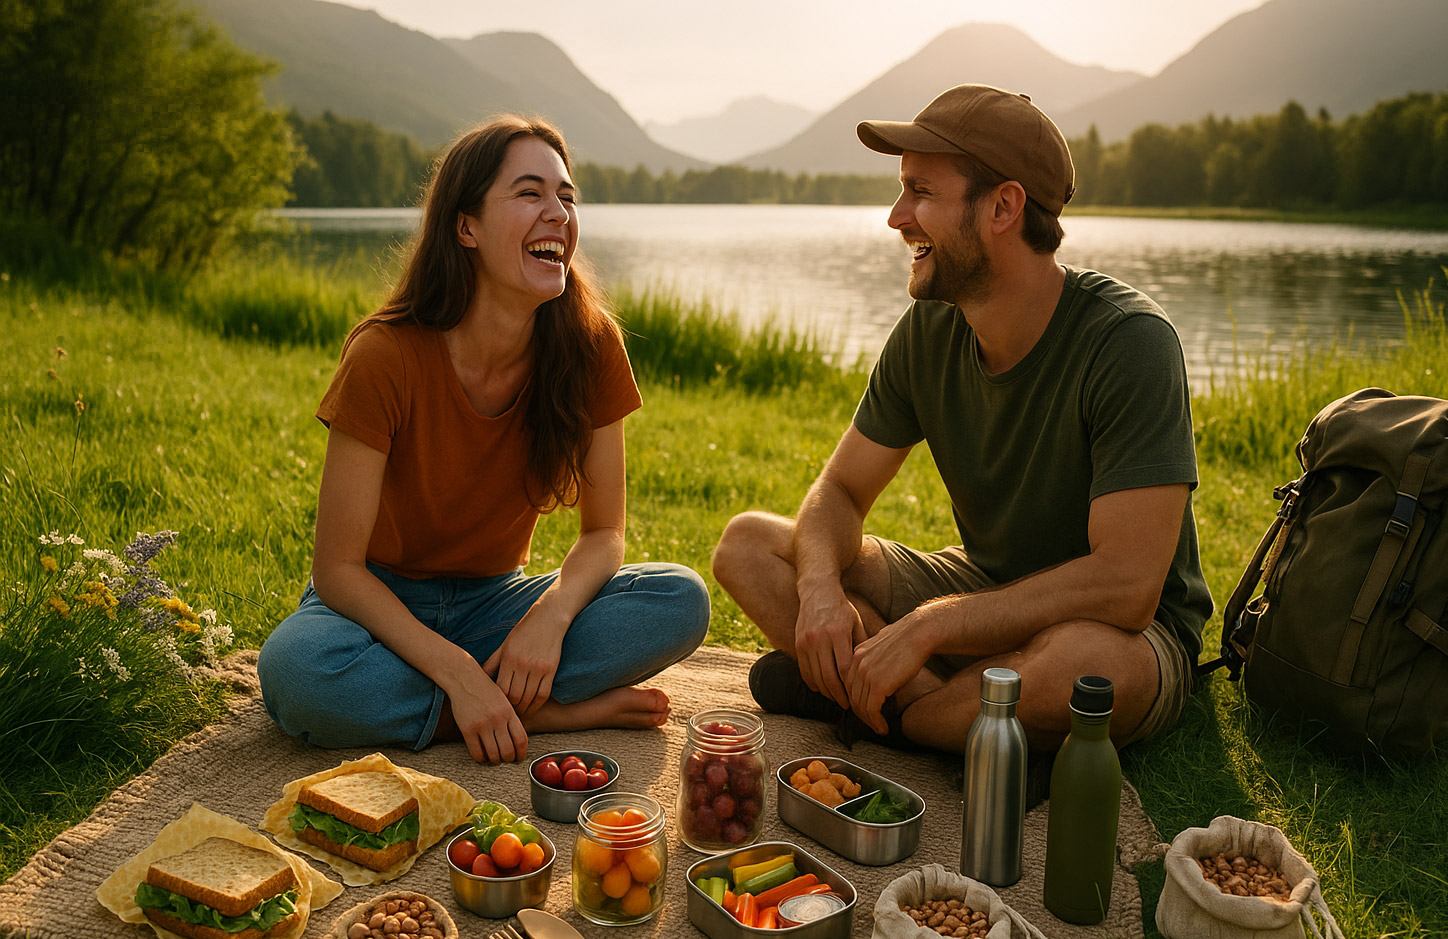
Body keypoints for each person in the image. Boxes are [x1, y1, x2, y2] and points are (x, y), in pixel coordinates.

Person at [712, 85, 1211, 754]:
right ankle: (945, 711)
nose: (895, 217)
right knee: (750, 547)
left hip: (1122, 632)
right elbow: (839, 491)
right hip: (986, 590)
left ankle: (893, 715)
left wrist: (928, 628)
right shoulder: (930, 328)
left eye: (920, 192)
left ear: (1003, 206)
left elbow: (1127, 585)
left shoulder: (1128, 341)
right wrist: (821, 588)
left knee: (1076, 669)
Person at [260, 115, 710, 764]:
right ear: (465, 226)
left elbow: (603, 533)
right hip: (379, 607)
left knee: (679, 600)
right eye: (529, 193)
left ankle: (472, 700)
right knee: (298, 670)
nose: (557, 212)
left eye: (565, 196)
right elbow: (338, 571)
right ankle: (546, 714)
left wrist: (548, 621)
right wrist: (458, 674)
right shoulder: (385, 355)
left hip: (498, 604)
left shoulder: (591, 345)